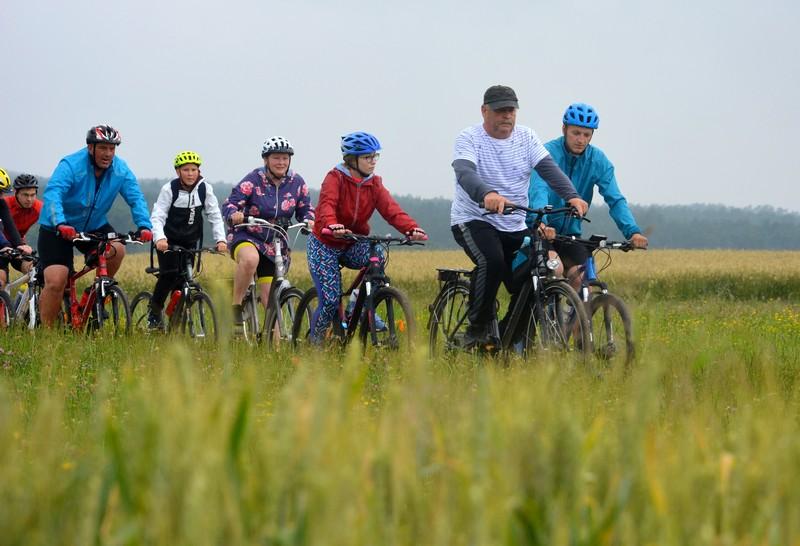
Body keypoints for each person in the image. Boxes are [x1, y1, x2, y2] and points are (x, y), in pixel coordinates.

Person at [450, 85, 589, 349]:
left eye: (511, 110)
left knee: (535, 272)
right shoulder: (469, 138)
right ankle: (476, 329)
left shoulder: (526, 137)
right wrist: (487, 194)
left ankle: (507, 336)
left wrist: (572, 195)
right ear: (484, 111)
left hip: (514, 223)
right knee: (493, 262)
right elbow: (465, 173)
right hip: (474, 219)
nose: (507, 115)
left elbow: (549, 169)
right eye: (500, 110)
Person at [307, 131, 427, 343]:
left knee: (377, 256)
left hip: (353, 242)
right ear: (352, 160)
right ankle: (314, 346)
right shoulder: (335, 178)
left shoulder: (374, 184)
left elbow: (391, 210)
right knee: (331, 300)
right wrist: (331, 224)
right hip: (325, 244)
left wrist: (411, 229)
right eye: (367, 157)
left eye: (375, 156)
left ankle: (359, 302)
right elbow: (326, 205)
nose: (373, 161)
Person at [37, 124, 153, 327]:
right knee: (56, 280)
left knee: (117, 249)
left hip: (93, 225)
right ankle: (46, 335)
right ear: (91, 147)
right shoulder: (71, 165)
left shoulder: (120, 169)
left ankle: (95, 295)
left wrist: (144, 225)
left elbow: (136, 198)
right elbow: (54, 193)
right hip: (57, 227)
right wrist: (60, 222)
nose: (108, 154)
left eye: (112, 148)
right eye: (103, 148)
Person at [528, 103, 648, 289]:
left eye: (586, 135)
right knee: (555, 268)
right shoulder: (547, 153)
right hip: (541, 230)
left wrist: (632, 232)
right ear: (564, 129)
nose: (581, 140)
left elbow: (615, 199)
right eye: (576, 133)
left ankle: (579, 310)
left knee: (583, 278)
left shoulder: (597, 160)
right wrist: (541, 222)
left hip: (570, 234)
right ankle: (546, 308)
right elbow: (539, 189)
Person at [222, 136, 315, 333]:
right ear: (266, 159)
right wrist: (234, 214)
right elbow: (230, 203)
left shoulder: (297, 182)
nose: (281, 162)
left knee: (270, 298)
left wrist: (309, 220)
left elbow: (306, 208)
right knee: (250, 260)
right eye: (276, 158)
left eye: (285, 158)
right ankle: (235, 306)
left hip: (275, 243)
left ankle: (276, 347)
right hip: (247, 235)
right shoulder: (253, 179)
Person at [146, 151, 228, 329]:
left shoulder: (205, 189)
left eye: (194, 169)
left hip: (190, 242)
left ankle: (175, 320)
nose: (190, 174)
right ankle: (154, 312)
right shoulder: (170, 189)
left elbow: (214, 215)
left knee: (183, 281)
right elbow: (157, 216)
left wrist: (221, 240)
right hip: (168, 242)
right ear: (178, 172)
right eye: (186, 170)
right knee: (169, 275)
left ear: (199, 171)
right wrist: (160, 238)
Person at [0, 169, 35, 287]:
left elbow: (9, 225)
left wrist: (20, 245)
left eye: (2, 192)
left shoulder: (1, 203)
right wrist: (5, 245)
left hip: (4, 246)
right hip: (3, 244)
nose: (2, 196)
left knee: (32, 268)